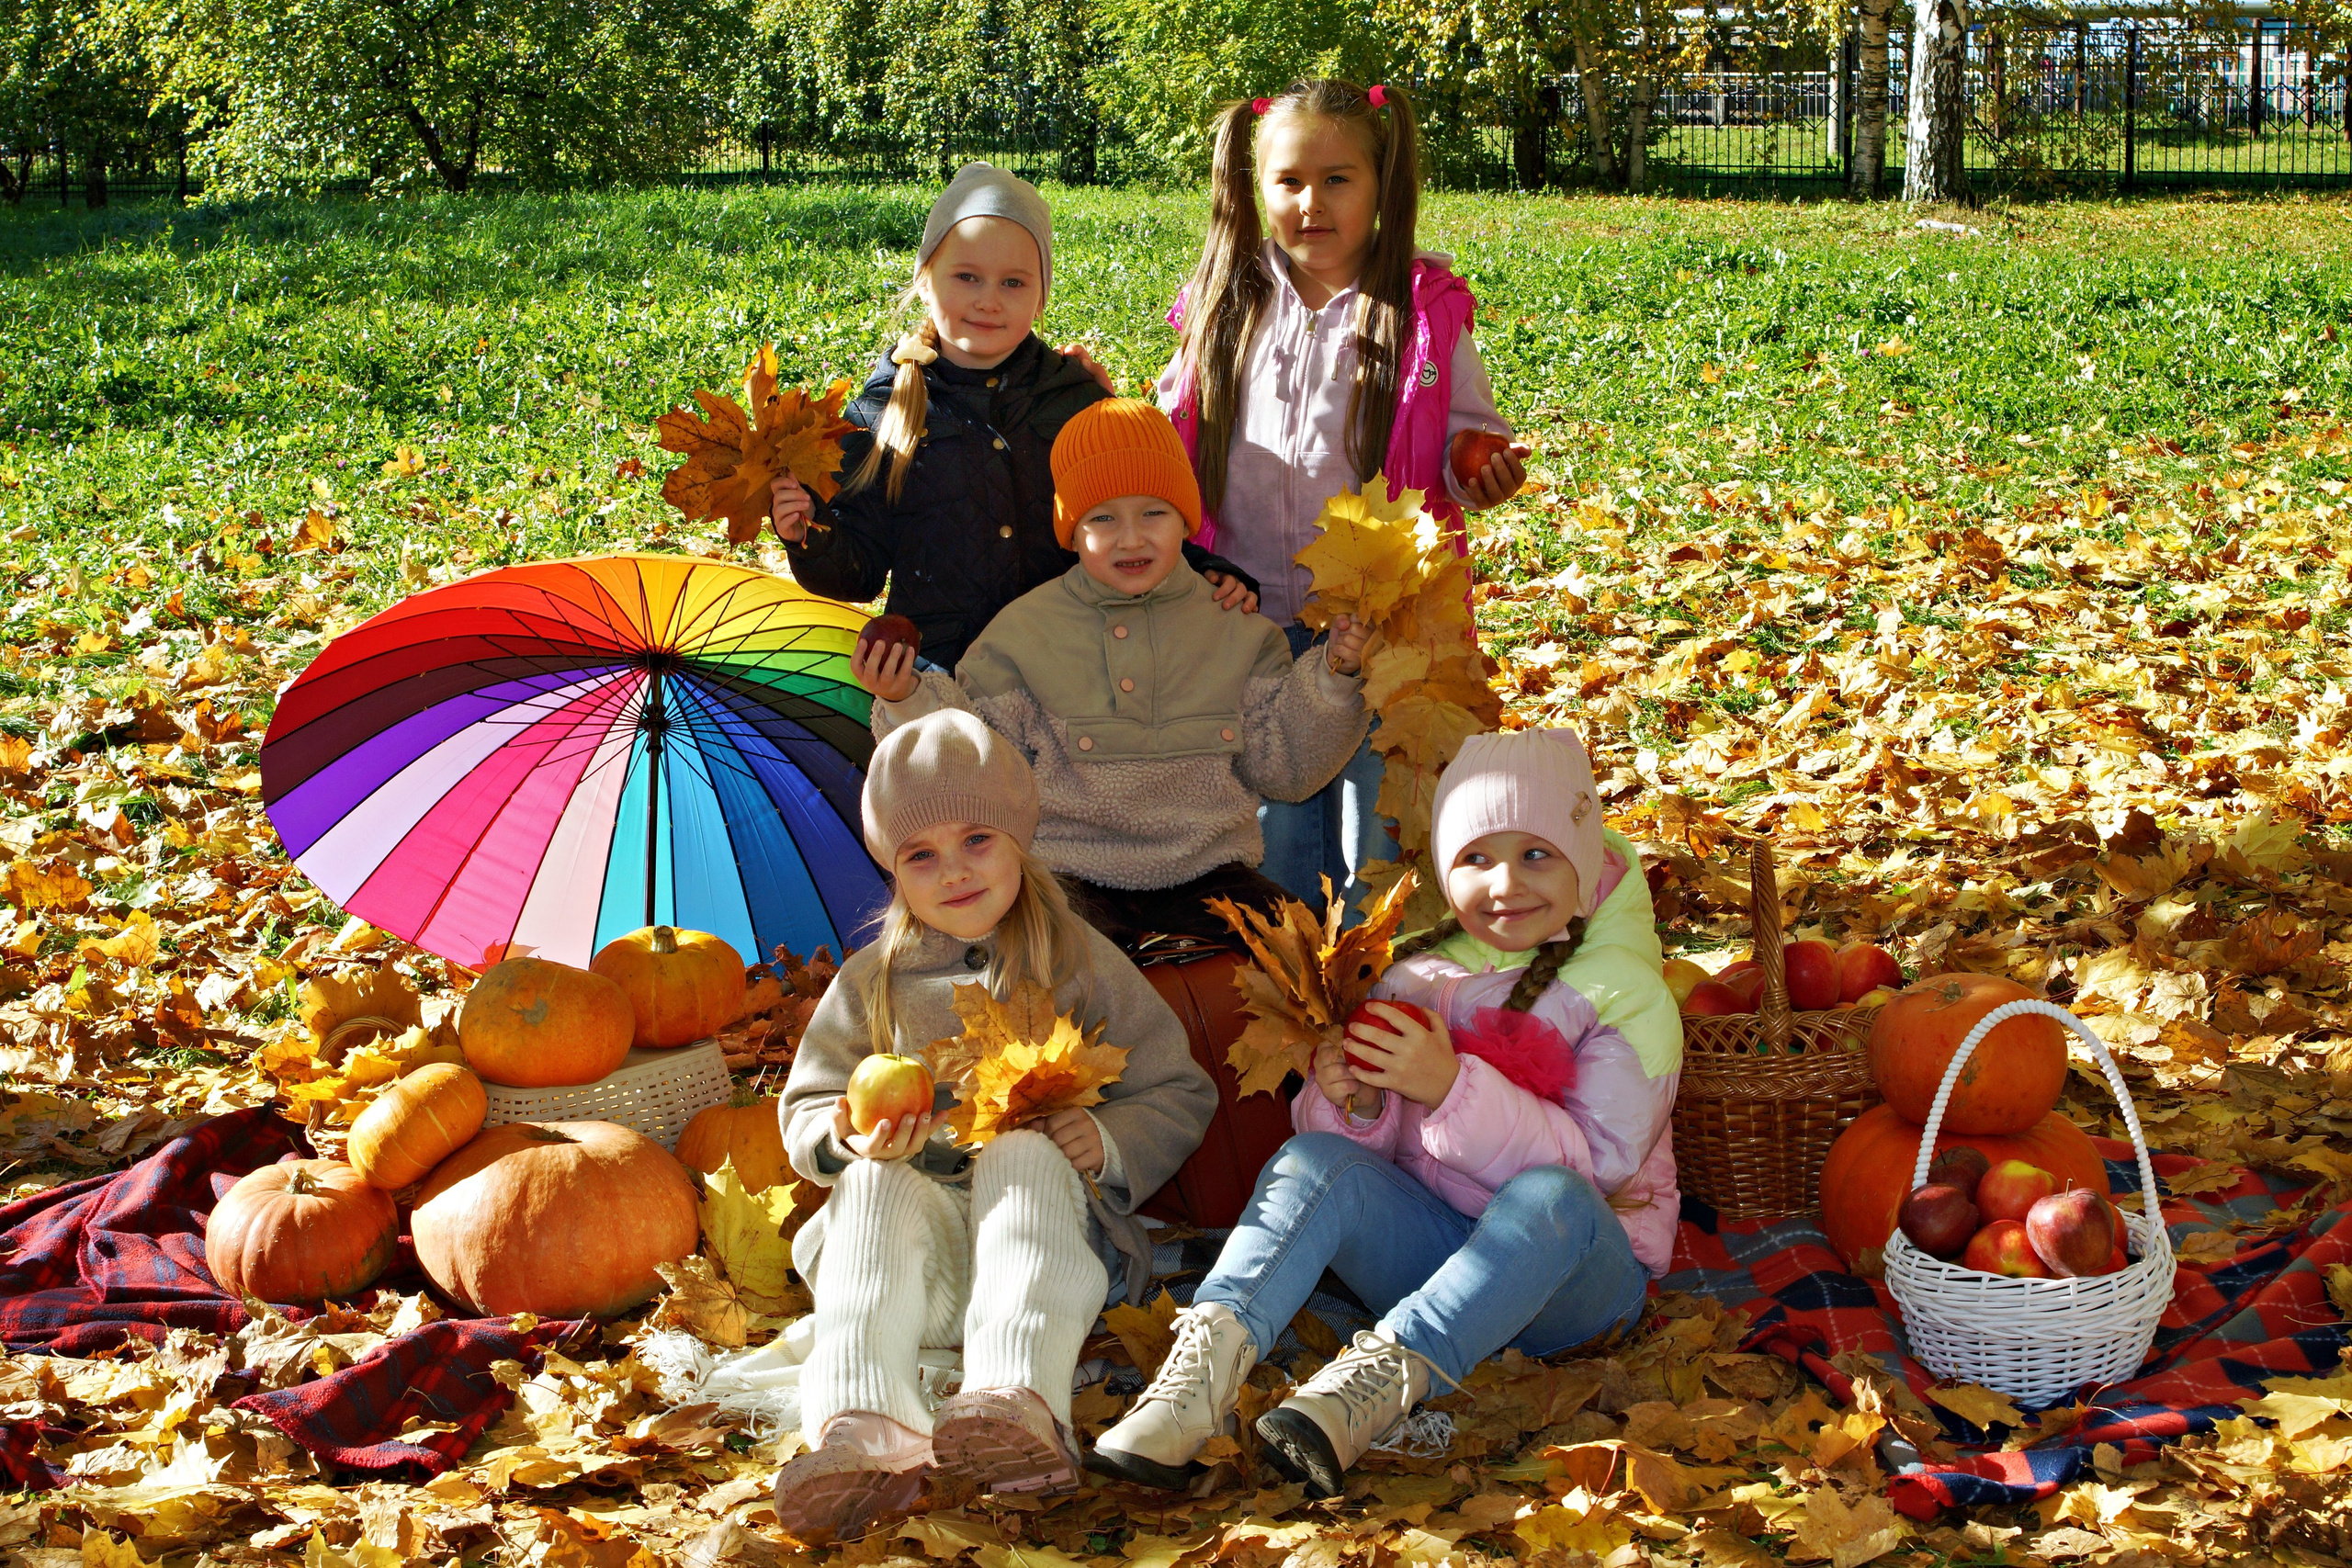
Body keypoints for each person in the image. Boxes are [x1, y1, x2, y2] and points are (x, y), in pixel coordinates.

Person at [1088, 727, 1682, 1496]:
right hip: (1438, 1252)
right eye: (1476, 857)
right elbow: (1363, 1157)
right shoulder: (1418, 974)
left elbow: (1600, 1169)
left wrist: (1448, 1088)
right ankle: (1198, 1375)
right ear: (1444, 868)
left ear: (1583, 853)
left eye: (1536, 853)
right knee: (1313, 1161)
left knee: (1550, 1199)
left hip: (1575, 1283)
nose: (1505, 883)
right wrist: (1357, 1105)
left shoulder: (1626, 994)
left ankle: (1373, 1384)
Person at [772, 710, 1216, 1540]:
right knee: (875, 1180)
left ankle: (1019, 1404)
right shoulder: (875, 979)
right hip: (918, 1276)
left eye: (978, 838)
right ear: (894, 870)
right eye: (921, 855)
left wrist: (1109, 1140)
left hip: (1044, 1258)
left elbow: (1176, 1084)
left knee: (1024, 1145)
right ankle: (864, 1426)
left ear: (1020, 836)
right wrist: (843, 1137)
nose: (954, 871)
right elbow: (803, 1105)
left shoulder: (1073, 957)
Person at [1158, 80, 1532, 915]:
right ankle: (1297, 1004)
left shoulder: (1421, 316)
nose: (1311, 202)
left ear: (1380, 185)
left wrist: (1479, 469)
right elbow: (1166, 431)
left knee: (1380, 839)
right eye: (1289, 181)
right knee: (1279, 836)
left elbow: (1462, 435)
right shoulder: (1228, 303)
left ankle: (1380, 998)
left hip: (1385, 623)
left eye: (1337, 180)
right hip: (1250, 621)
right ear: (1258, 191)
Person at [851, 399, 1372, 948]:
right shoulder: (1021, 635)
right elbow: (978, 762)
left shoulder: (1238, 632)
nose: (1131, 538)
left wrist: (1334, 678)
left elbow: (1286, 768)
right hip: (1067, 875)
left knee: (1291, 950)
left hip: (1209, 871)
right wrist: (906, 698)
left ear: (1187, 522)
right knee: (1068, 965)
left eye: (1154, 513)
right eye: (1102, 518)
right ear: (1070, 530)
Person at [766, 162, 1259, 671]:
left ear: (1041, 295)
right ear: (925, 279)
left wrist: (1202, 569)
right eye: (966, 276)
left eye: (1014, 283)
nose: (988, 300)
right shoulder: (879, 412)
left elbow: (1131, 516)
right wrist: (809, 534)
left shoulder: (1074, 399)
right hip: (938, 674)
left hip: (1067, 669)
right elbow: (858, 573)